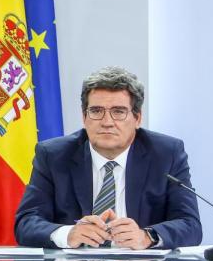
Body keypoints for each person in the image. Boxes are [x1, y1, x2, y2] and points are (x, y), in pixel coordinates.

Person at [15, 66, 201, 249]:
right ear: (84, 117)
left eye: (118, 112)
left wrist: (146, 236)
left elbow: (190, 224)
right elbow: (26, 222)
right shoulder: (54, 155)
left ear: (137, 118)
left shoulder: (166, 154)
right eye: (96, 111)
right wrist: (68, 234)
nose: (107, 122)